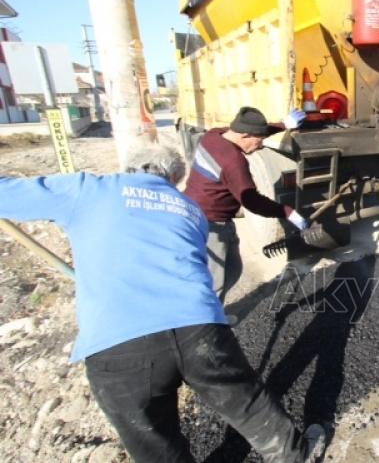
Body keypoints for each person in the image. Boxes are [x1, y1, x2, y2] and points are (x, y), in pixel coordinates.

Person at [0, 145, 322, 463]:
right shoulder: (189, 209)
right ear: (174, 177)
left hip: (119, 344)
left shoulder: (86, 190)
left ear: (129, 167)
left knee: (154, 439)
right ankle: (293, 456)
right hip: (198, 327)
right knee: (244, 399)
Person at [183, 106, 310, 298]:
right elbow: (252, 202)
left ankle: (217, 314)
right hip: (210, 224)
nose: (260, 146)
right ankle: (210, 325)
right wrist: (287, 212)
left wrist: (283, 125)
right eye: (259, 141)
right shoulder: (233, 161)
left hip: (192, 210)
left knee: (233, 270)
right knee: (214, 283)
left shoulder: (214, 135)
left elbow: (254, 131)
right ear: (244, 135)